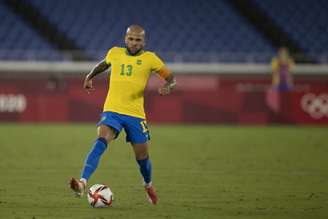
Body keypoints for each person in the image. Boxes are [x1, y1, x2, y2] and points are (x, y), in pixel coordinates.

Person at [69, 24, 176, 205]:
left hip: (135, 114)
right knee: (101, 140)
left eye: (138, 40)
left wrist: (168, 86)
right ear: (125, 39)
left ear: (144, 41)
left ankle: (148, 184)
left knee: (142, 158)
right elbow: (103, 64)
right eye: (130, 39)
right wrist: (89, 76)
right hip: (112, 110)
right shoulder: (115, 53)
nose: (134, 43)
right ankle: (82, 183)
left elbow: (171, 78)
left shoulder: (151, 59)